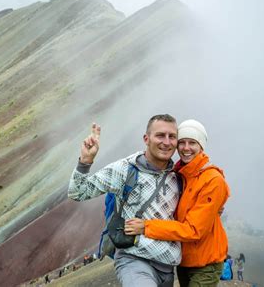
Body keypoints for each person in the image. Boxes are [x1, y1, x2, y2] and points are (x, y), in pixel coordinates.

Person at [68, 114, 182, 287]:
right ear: (146, 138)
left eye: (172, 136)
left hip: (167, 266)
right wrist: (85, 161)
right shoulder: (125, 169)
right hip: (134, 260)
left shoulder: (179, 176)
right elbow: (78, 192)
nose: (166, 142)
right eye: (160, 135)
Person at [125, 119, 230, 287]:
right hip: (183, 261)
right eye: (182, 142)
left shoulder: (212, 180)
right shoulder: (179, 174)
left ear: (201, 146)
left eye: (192, 143)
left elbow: (193, 230)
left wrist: (146, 227)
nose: (186, 148)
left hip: (205, 264)